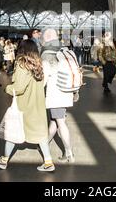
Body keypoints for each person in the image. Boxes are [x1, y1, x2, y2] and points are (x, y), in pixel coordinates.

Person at [0, 40, 54, 171]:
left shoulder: (22, 63)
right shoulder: (39, 63)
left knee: (13, 131)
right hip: (38, 104)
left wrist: (7, 88)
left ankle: (3, 161)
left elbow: (19, 87)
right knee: (41, 133)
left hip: (24, 106)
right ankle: (48, 163)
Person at [41, 29, 75, 163]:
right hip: (66, 91)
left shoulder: (47, 53)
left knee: (60, 122)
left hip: (55, 93)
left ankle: (69, 153)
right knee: (54, 121)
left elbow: (45, 74)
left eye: (43, 38)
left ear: (48, 37)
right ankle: (44, 144)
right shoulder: (65, 50)